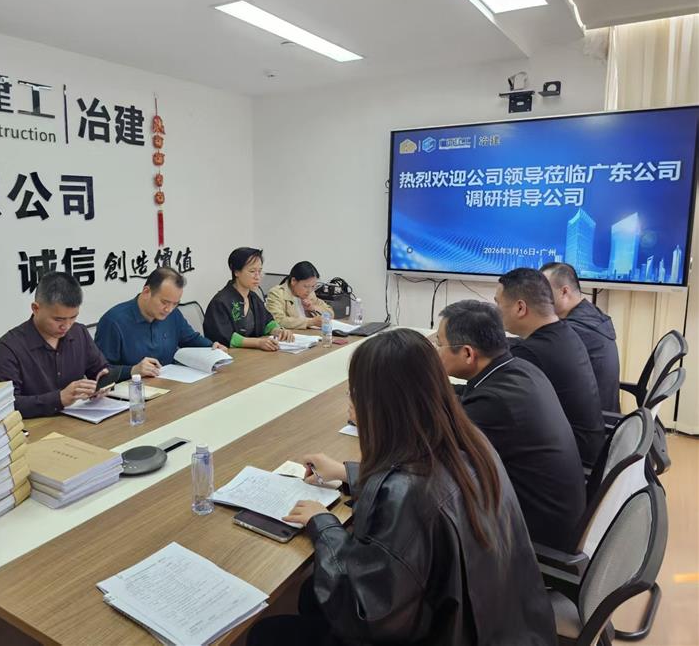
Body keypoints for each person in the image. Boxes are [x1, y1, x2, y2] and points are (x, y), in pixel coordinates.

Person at [248, 330, 555, 646]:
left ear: (376, 403)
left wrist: (322, 524)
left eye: (355, 393)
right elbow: (422, 487)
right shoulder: (471, 443)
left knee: (266, 633)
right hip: (502, 625)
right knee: (311, 596)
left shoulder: (410, 494)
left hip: (443, 633)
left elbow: (365, 615)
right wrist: (348, 473)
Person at [436, 300, 586, 550]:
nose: (436, 351)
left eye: (440, 344)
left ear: (468, 354)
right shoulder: (519, 368)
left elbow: (437, 455)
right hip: (558, 514)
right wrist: (428, 388)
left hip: (533, 535)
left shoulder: (493, 403)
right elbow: (468, 396)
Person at [495, 267, 605, 466]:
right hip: (586, 447)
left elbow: (493, 403)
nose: (495, 311)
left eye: (498, 304)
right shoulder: (565, 332)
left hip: (569, 460)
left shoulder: (531, 354)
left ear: (520, 308)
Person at [0, 271, 120, 419]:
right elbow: (5, 406)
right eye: (58, 319)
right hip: (35, 427)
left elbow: (101, 369)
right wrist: (59, 399)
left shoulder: (79, 333)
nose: (66, 326)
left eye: (73, 317)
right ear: (36, 308)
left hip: (81, 421)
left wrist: (103, 381)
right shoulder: (9, 347)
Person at [96, 267, 227, 377]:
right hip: (132, 392)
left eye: (175, 304)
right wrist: (133, 370)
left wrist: (212, 347)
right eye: (164, 302)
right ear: (146, 292)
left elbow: (190, 339)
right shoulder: (114, 321)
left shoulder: (173, 314)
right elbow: (100, 372)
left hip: (169, 384)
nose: (169, 309)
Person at [541, 262, 621, 412]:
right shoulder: (591, 314)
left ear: (564, 292)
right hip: (601, 413)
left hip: (592, 420)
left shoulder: (575, 330)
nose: (538, 298)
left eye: (543, 292)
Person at [203, 247, 294, 350]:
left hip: (253, 354)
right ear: (236, 272)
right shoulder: (220, 302)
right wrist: (258, 343)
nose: (257, 276)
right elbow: (225, 337)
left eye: (260, 271)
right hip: (231, 355)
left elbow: (267, 323)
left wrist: (279, 331)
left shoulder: (253, 297)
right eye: (252, 271)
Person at [264, 261, 333, 330]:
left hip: (310, 333)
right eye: (306, 286)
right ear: (293, 281)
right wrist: (310, 322)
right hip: (291, 334)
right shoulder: (277, 293)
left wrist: (313, 308)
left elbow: (330, 313)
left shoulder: (310, 294)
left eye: (313, 286)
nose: (309, 290)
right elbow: (278, 320)